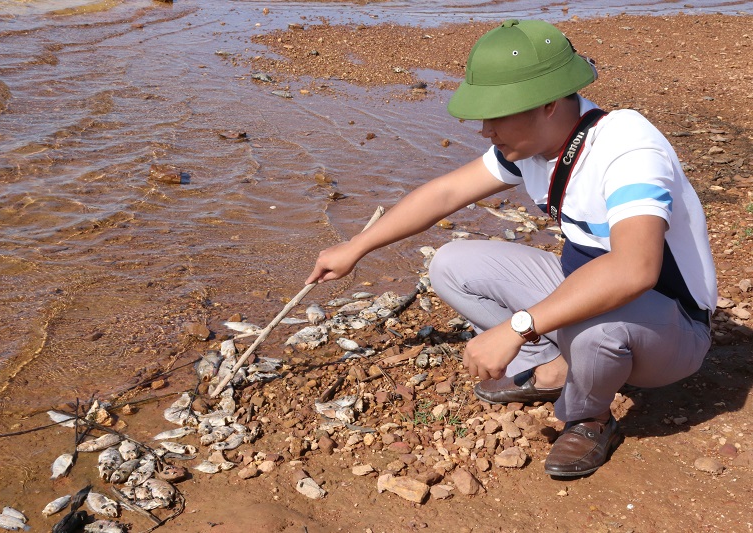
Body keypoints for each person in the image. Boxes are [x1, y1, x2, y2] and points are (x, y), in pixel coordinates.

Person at [305, 19, 716, 477]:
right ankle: (551, 371)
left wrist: (517, 328)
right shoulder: (535, 147)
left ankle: (589, 416)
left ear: (549, 104)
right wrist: (357, 247)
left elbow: (634, 270)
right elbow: (443, 194)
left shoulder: (627, 149)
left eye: (497, 114)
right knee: (452, 264)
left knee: (600, 330)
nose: (485, 130)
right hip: (588, 292)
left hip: (672, 329)